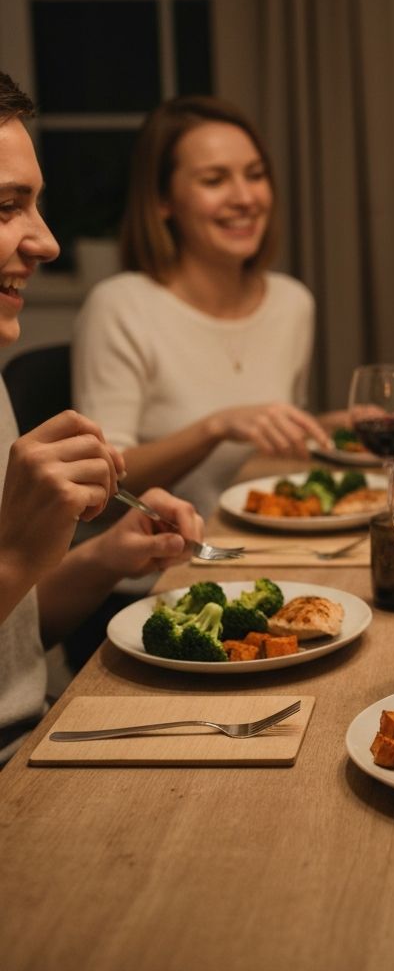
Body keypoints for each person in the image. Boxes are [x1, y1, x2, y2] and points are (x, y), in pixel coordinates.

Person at [0, 72, 202, 763]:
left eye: (37, 206)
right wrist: (14, 556)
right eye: (6, 208)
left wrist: (109, 556)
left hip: (35, 736)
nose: (47, 242)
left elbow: (17, 644)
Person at [72, 96, 332, 518]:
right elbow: (106, 480)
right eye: (215, 180)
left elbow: (272, 437)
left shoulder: (292, 302)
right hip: (164, 564)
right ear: (163, 201)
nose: (245, 197)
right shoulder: (119, 307)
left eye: (256, 175)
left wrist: (339, 425)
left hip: (266, 546)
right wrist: (214, 428)